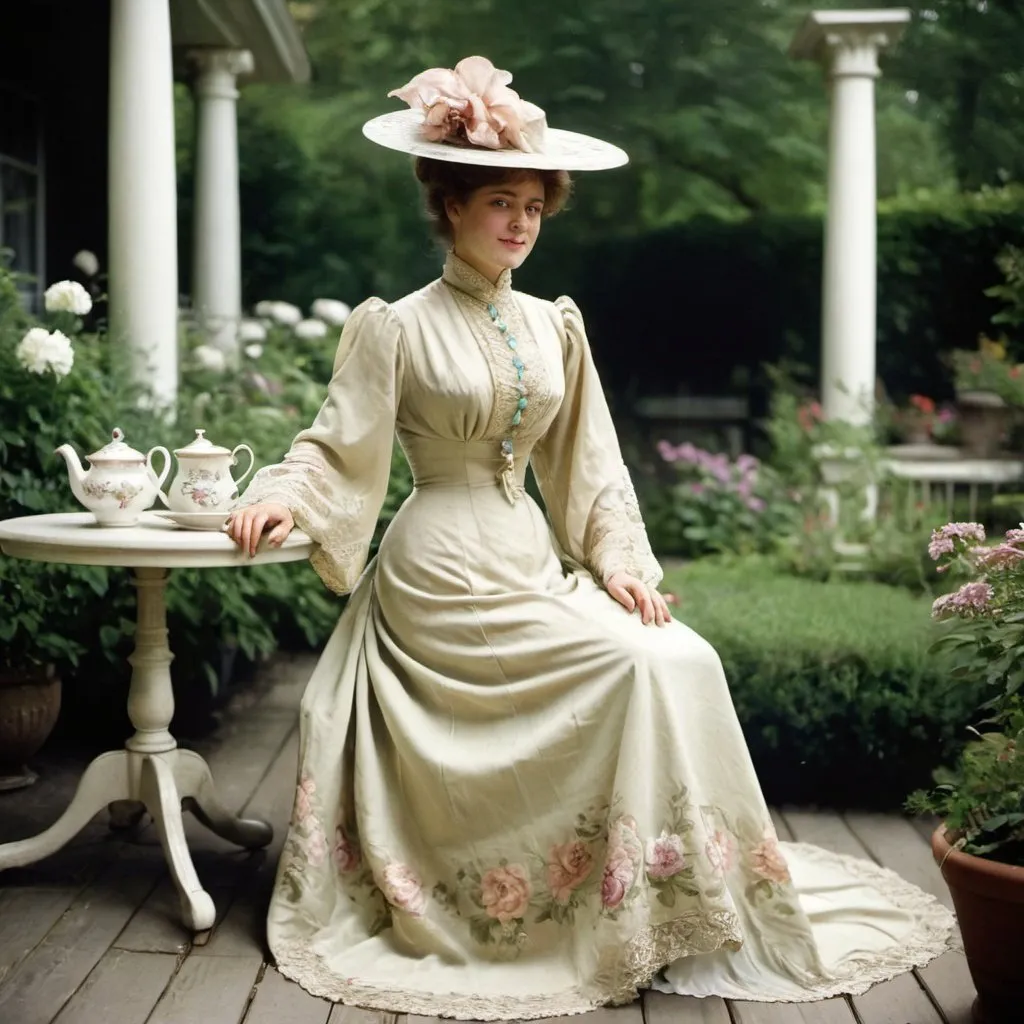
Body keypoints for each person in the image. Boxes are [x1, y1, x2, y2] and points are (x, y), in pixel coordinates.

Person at [227, 56, 956, 1021]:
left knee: (677, 657)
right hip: (441, 581)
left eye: (534, 204)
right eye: (500, 201)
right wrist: (288, 495)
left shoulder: (553, 326)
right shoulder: (394, 328)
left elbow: (591, 464)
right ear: (449, 204)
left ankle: (660, 898)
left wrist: (616, 561)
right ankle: (549, 912)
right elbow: (334, 444)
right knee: (637, 672)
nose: (522, 223)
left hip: (529, 558)